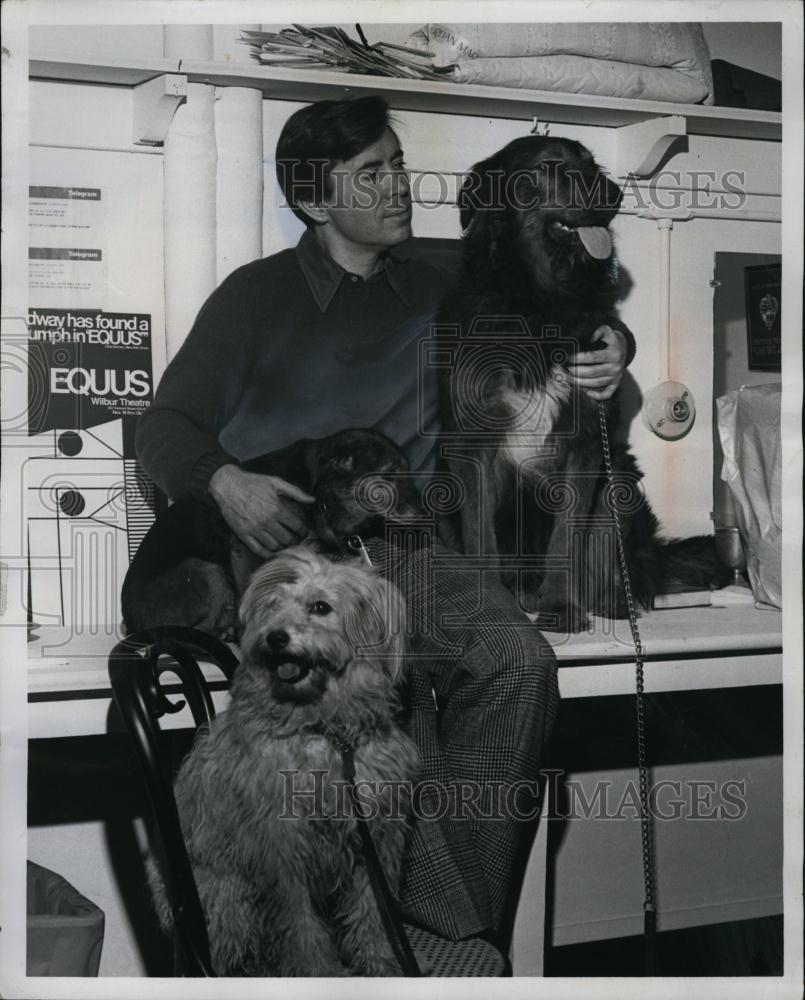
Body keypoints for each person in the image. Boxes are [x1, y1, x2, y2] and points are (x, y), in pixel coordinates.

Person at [136, 96, 634, 945]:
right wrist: (223, 481)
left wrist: (610, 349)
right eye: (372, 172)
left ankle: (444, 922)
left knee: (516, 662)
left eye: (398, 164)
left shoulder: (442, 283)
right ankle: (364, 927)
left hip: (404, 545)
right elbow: (163, 426)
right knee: (357, 722)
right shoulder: (253, 296)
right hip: (290, 556)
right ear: (313, 198)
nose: (399, 186)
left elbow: (551, 305)